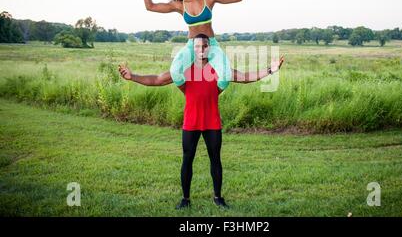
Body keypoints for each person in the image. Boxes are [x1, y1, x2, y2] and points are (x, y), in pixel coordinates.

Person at [119, 34, 284, 209]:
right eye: (197, 46)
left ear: (210, 48)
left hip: (212, 123)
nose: (201, 49)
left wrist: (270, 70)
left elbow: (245, 76)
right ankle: (185, 199)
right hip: (191, 123)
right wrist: (133, 76)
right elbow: (157, 79)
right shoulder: (183, 70)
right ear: (193, 49)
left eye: (204, 46)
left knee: (216, 160)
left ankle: (218, 198)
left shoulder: (220, 70)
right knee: (187, 160)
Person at [141, 0, 245, 91]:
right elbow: (150, 6)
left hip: (210, 44)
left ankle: (213, 96)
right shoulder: (180, 5)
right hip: (192, 45)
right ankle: (189, 94)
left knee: (226, 74)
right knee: (174, 71)